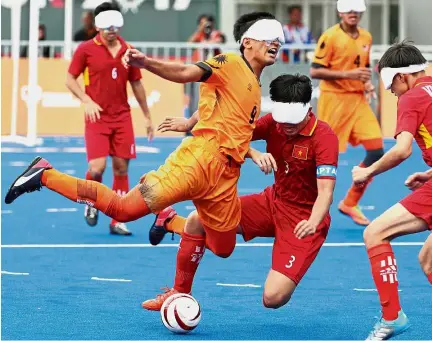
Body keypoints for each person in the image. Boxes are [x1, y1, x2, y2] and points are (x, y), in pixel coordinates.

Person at [4, 11, 283, 303]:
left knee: (223, 248)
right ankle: (45, 174)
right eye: (268, 38)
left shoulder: (253, 79)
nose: (275, 43)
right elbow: (187, 73)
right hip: (198, 161)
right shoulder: (229, 62)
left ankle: (169, 219)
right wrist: (147, 63)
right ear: (248, 42)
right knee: (123, 209)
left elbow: (228, 113)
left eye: (278, 40)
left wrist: (190, 123)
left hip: (227, 175)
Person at [145, 74, 339, 311]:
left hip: (304, 219)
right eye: (283, 120)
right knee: (197, 221)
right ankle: (178, 292)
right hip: (272, 202)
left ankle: (172, 222)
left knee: (273, 298)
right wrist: (190, 123)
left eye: (293, 122)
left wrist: (313, 221)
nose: (286, 127)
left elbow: (326, 192)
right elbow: (227, 130)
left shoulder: (324, 137)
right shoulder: (272, 123)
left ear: (308, 109)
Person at [351, 41, 432, 340]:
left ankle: (392, 316)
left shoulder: (411, 97)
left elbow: (401, 150)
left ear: (401, 76)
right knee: (428, 259)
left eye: (390, 84)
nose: (389, 92)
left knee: (375, 233)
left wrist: (367, 172)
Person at [67, 2, 154, 235]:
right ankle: (89, 203)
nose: (112, 30)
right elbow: (70, 79)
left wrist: (147, 117)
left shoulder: (129, 50)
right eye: (107, 27)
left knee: (121, 168)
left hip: (122, 117)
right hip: (96, 117)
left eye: (116, 26)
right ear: (97, 27)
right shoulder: (85, 49)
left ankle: (118, 219)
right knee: (97, 168)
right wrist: (86, 101)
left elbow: (136, 83)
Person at [310, 0, 384, 226]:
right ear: (341, 12)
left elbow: (362, 68)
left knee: (377, 152)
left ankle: (350, 202)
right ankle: (305, 205)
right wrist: (349, 75)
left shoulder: (366, 37)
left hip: (358, 101)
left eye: (357, 10)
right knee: (321, 157)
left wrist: (368, 84)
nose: (353, 13)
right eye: (349, 10)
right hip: (334, 102)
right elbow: (315, 71)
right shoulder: (330, 36)